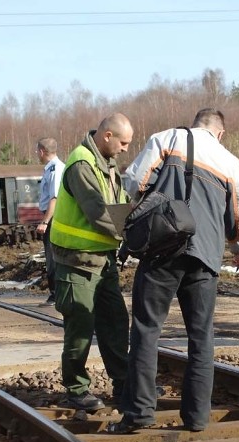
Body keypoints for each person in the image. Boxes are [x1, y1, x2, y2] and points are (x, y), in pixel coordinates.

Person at [112, 108, 239, 433]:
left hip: (163, 249)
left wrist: (122, 228)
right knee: (200, 337)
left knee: (146, 329)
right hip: (205, 256)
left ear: (196, 124)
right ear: (220, 133)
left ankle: (139, 414)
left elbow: (133, 181)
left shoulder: (167, 139)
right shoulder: (231, 163)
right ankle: (197, 418)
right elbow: (237, 215)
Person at [49, 113, 133, 411]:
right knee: (80, 326)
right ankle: (77, 389)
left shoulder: (108, 165)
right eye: (123, 142)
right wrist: (132, 235)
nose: (125, 149)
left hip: (103, 261)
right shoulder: (81, 163)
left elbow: (120, 205)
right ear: (107, 136)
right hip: (77, 261)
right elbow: (98, 212)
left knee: (116, 323)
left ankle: (124, 384)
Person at [36, 137, 64, 306]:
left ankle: (56, 295)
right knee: (51, 257)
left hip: (54, 219)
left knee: (52, 258)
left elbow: (55, 198)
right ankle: (56, 294)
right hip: (52, 217)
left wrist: (45, 222)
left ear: (41, 151)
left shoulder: (55, 169)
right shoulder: (51, 168)